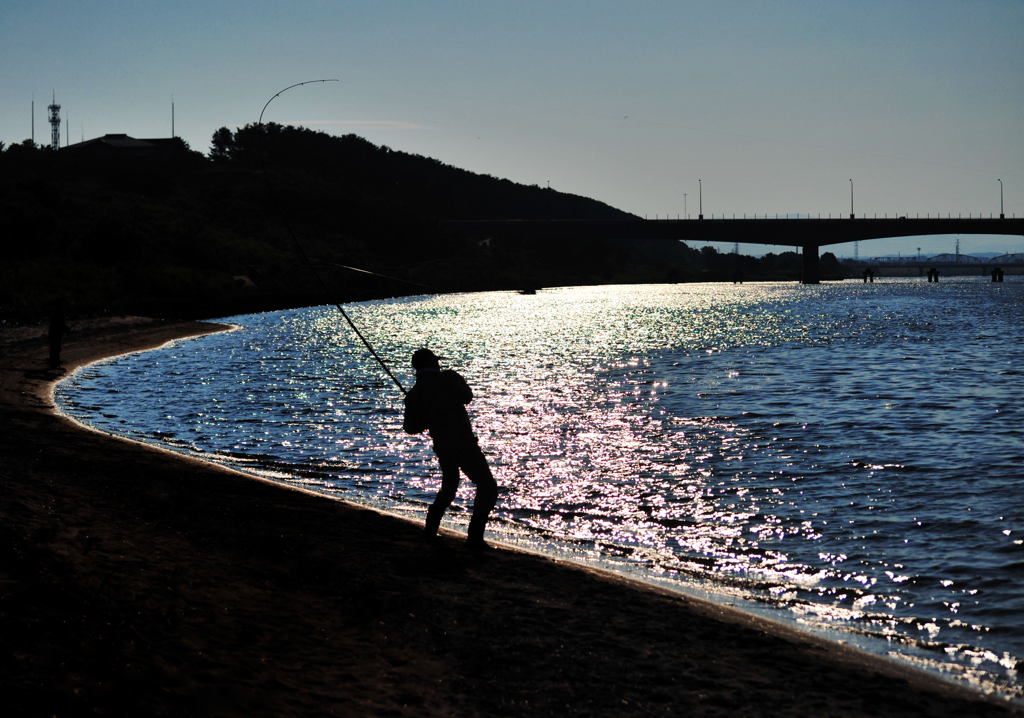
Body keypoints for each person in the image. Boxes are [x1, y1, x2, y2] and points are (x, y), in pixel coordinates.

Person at [403, 348, 498, 548]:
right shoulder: (449, 378)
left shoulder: (414, 394)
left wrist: (424, 416)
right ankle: (474, 537)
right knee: (487, 486)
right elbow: (467, 397)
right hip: (464, 443)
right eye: (436, 362)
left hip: (443, 445)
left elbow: (411, 428)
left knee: (449, 485)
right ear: (433, 364)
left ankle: (430, 530)